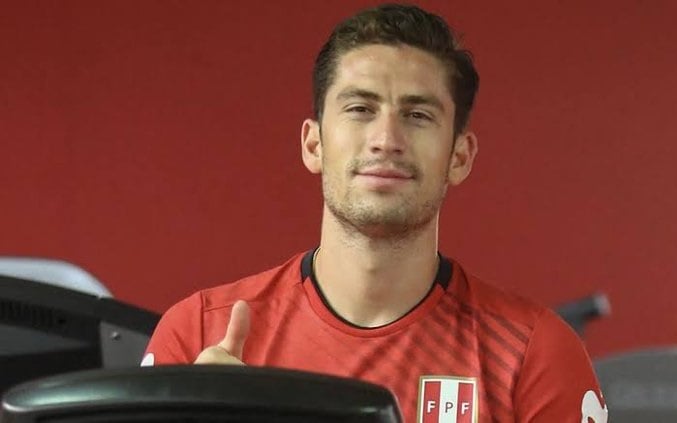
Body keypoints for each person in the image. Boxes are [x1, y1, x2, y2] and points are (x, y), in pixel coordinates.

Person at [143, 4, 608, 422]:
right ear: (314, 144)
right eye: (360, 108)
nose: (386, 139)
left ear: (460, 156)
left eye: (418, 115)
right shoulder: (198, 333)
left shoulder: (533, 355)